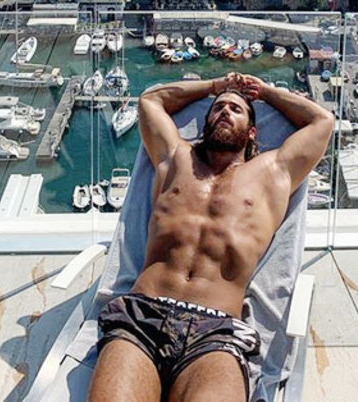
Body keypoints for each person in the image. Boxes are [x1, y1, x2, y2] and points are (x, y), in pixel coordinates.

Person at [88, 73, 334, 402]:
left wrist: (264, 92)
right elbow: (151, 100)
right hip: (142, 315)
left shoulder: (273, 172)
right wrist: (213, 86)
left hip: (217, 332)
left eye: (235, 109)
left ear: (252, 132)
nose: (224, 111)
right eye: (218, 108)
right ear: (206, 124)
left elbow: (322, 121)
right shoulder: (175, 158)